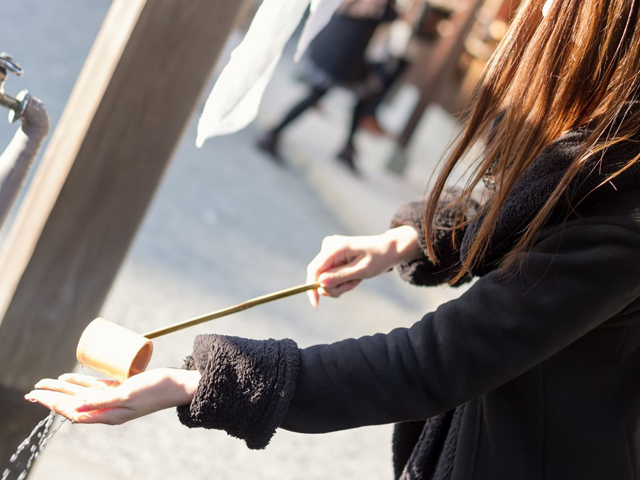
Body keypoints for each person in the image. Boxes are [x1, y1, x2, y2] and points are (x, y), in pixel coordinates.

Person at [25, 0, 640, 478]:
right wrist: (403, 240)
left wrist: (200, 382)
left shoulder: (623, 221)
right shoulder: (604, 158)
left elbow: (432, 363)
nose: (524, 18)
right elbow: (520, 212)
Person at [257, 0, 400, 172]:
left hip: (338, 46)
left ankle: (347, 146)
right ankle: (273, 132)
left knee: (360, 95)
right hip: (345, 53)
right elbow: (387, 15)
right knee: (317, 94)